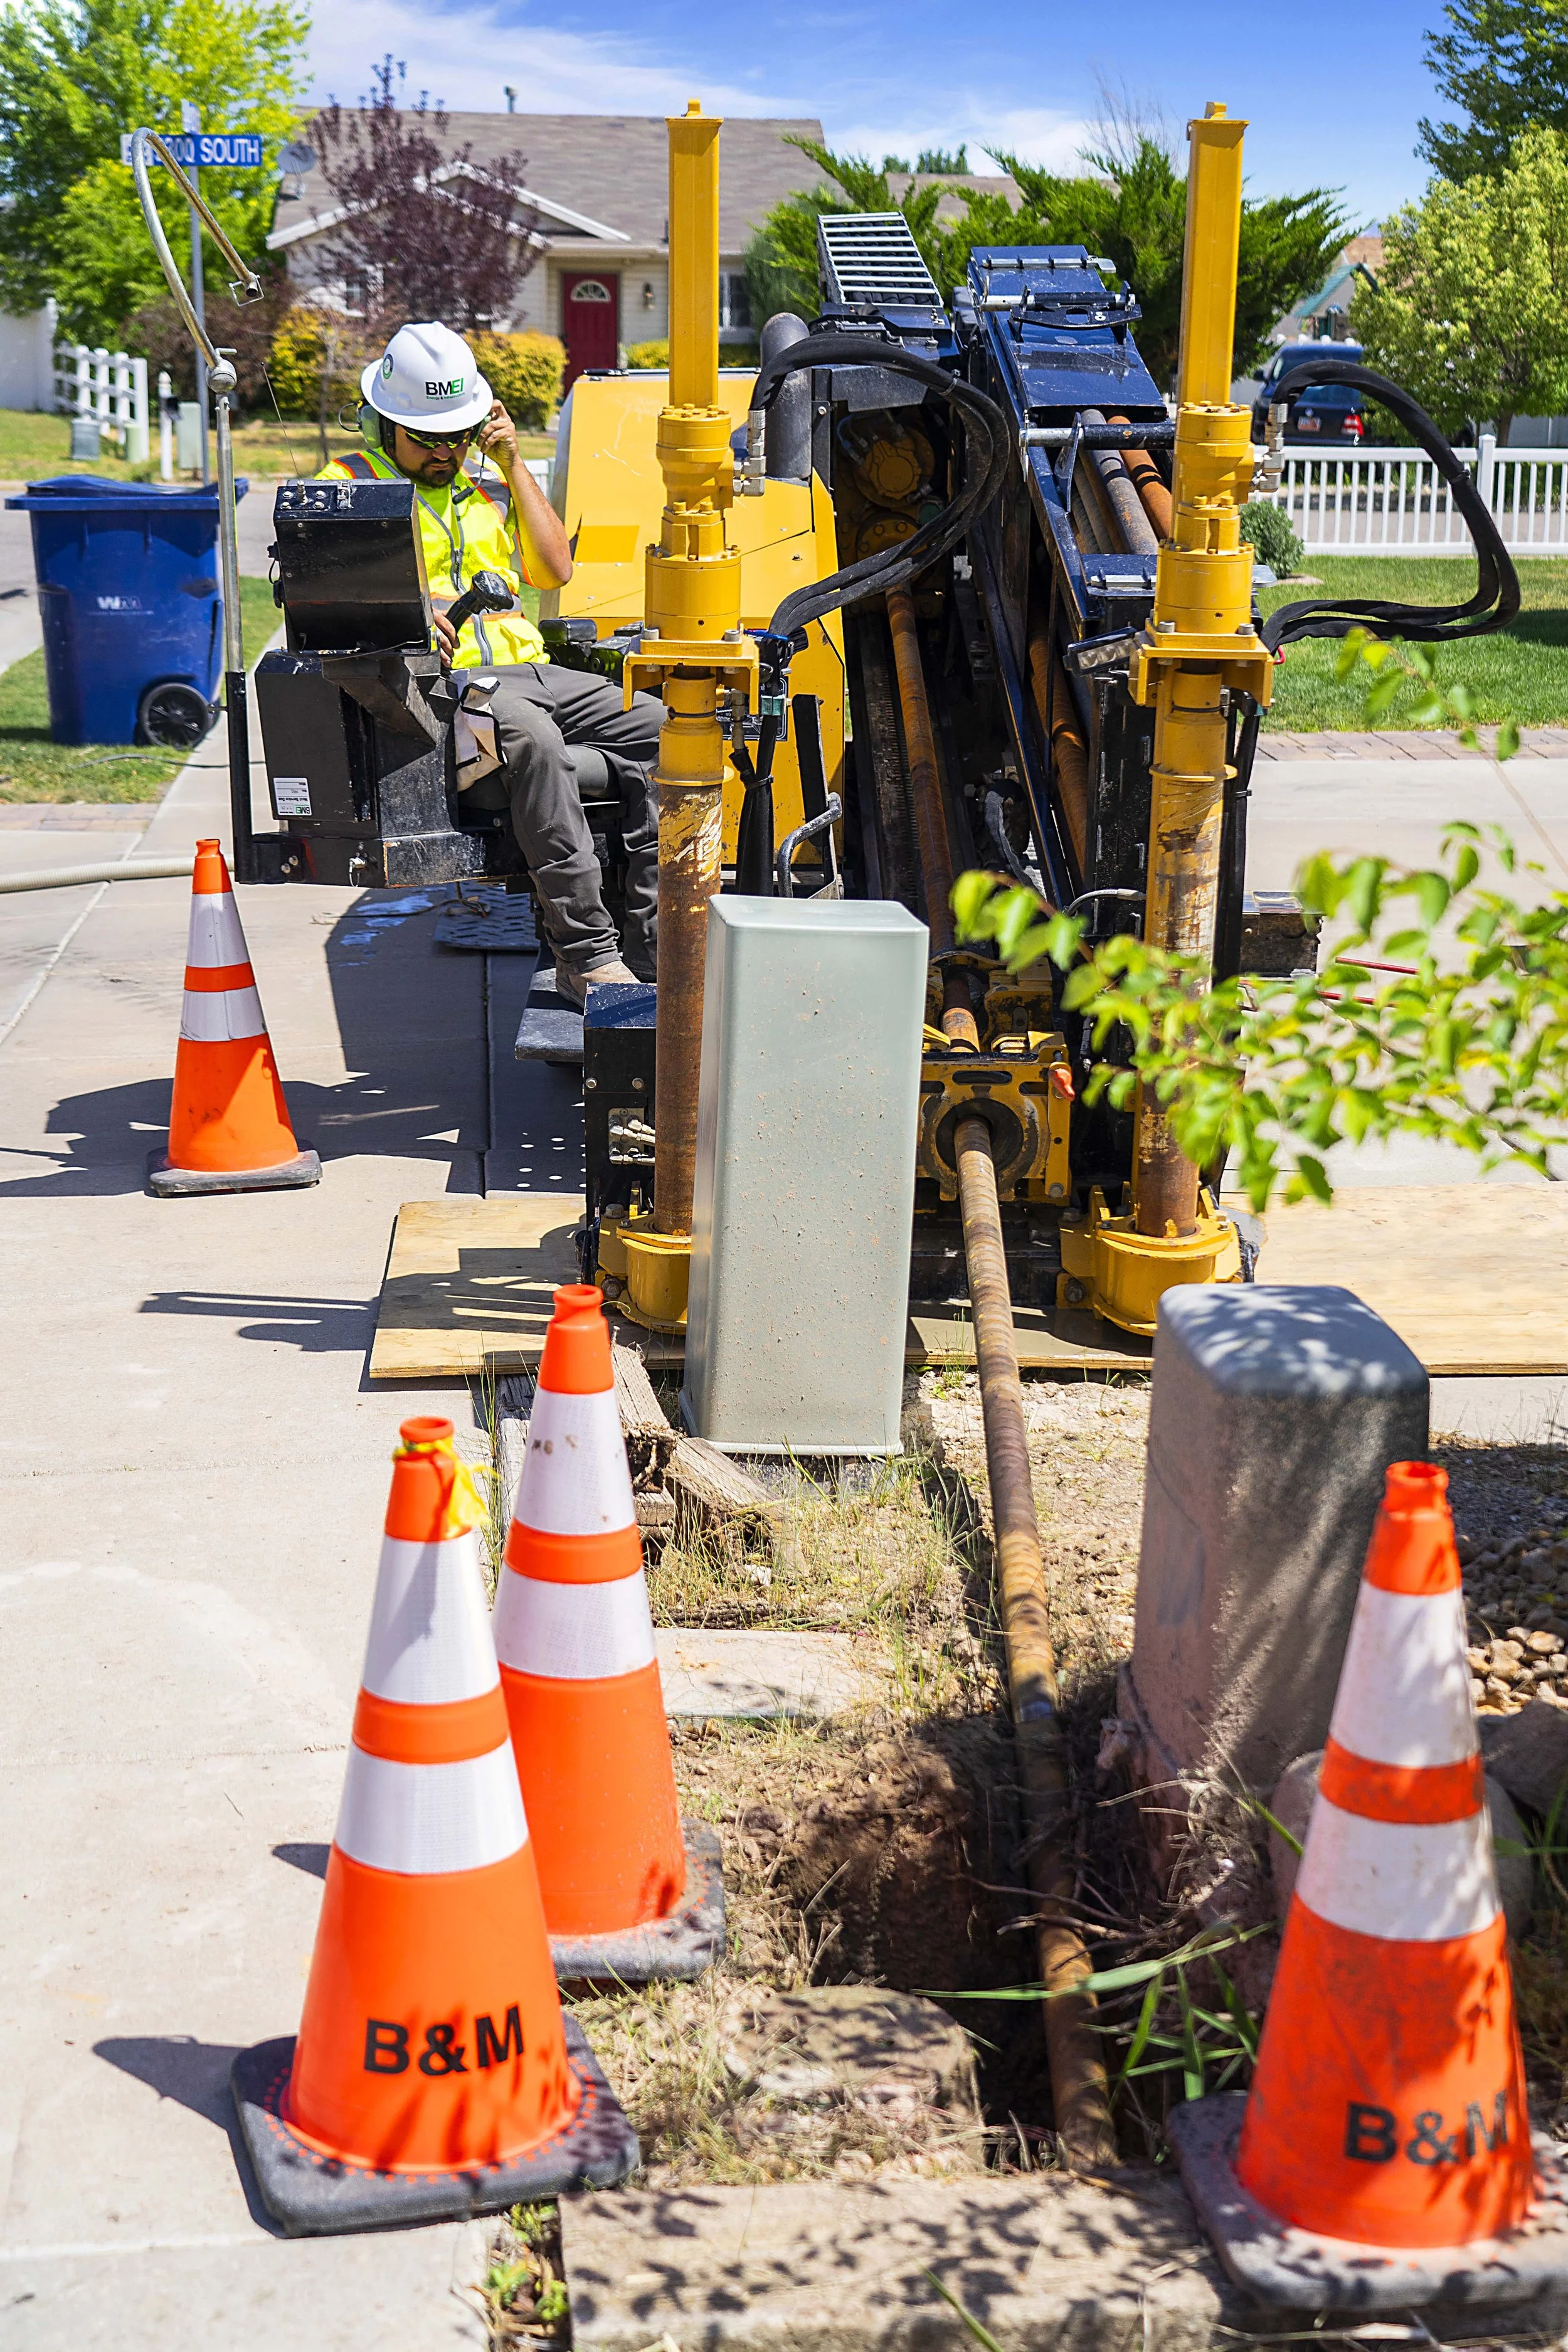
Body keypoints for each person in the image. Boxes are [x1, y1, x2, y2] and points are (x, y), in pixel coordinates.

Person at [317, 321, 660, 1002]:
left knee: (661, 724)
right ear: (383, 425)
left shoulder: (483, 485)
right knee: (534, 741)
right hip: (445, 694)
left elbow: (554, 566)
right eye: (429, 439)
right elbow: (336, 604)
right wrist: (412, 615)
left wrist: (508, 462)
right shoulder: (348, 487)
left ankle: (657, 946)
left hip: (530, 673)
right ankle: (585, 954)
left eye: (460, 435)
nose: (446, 453)